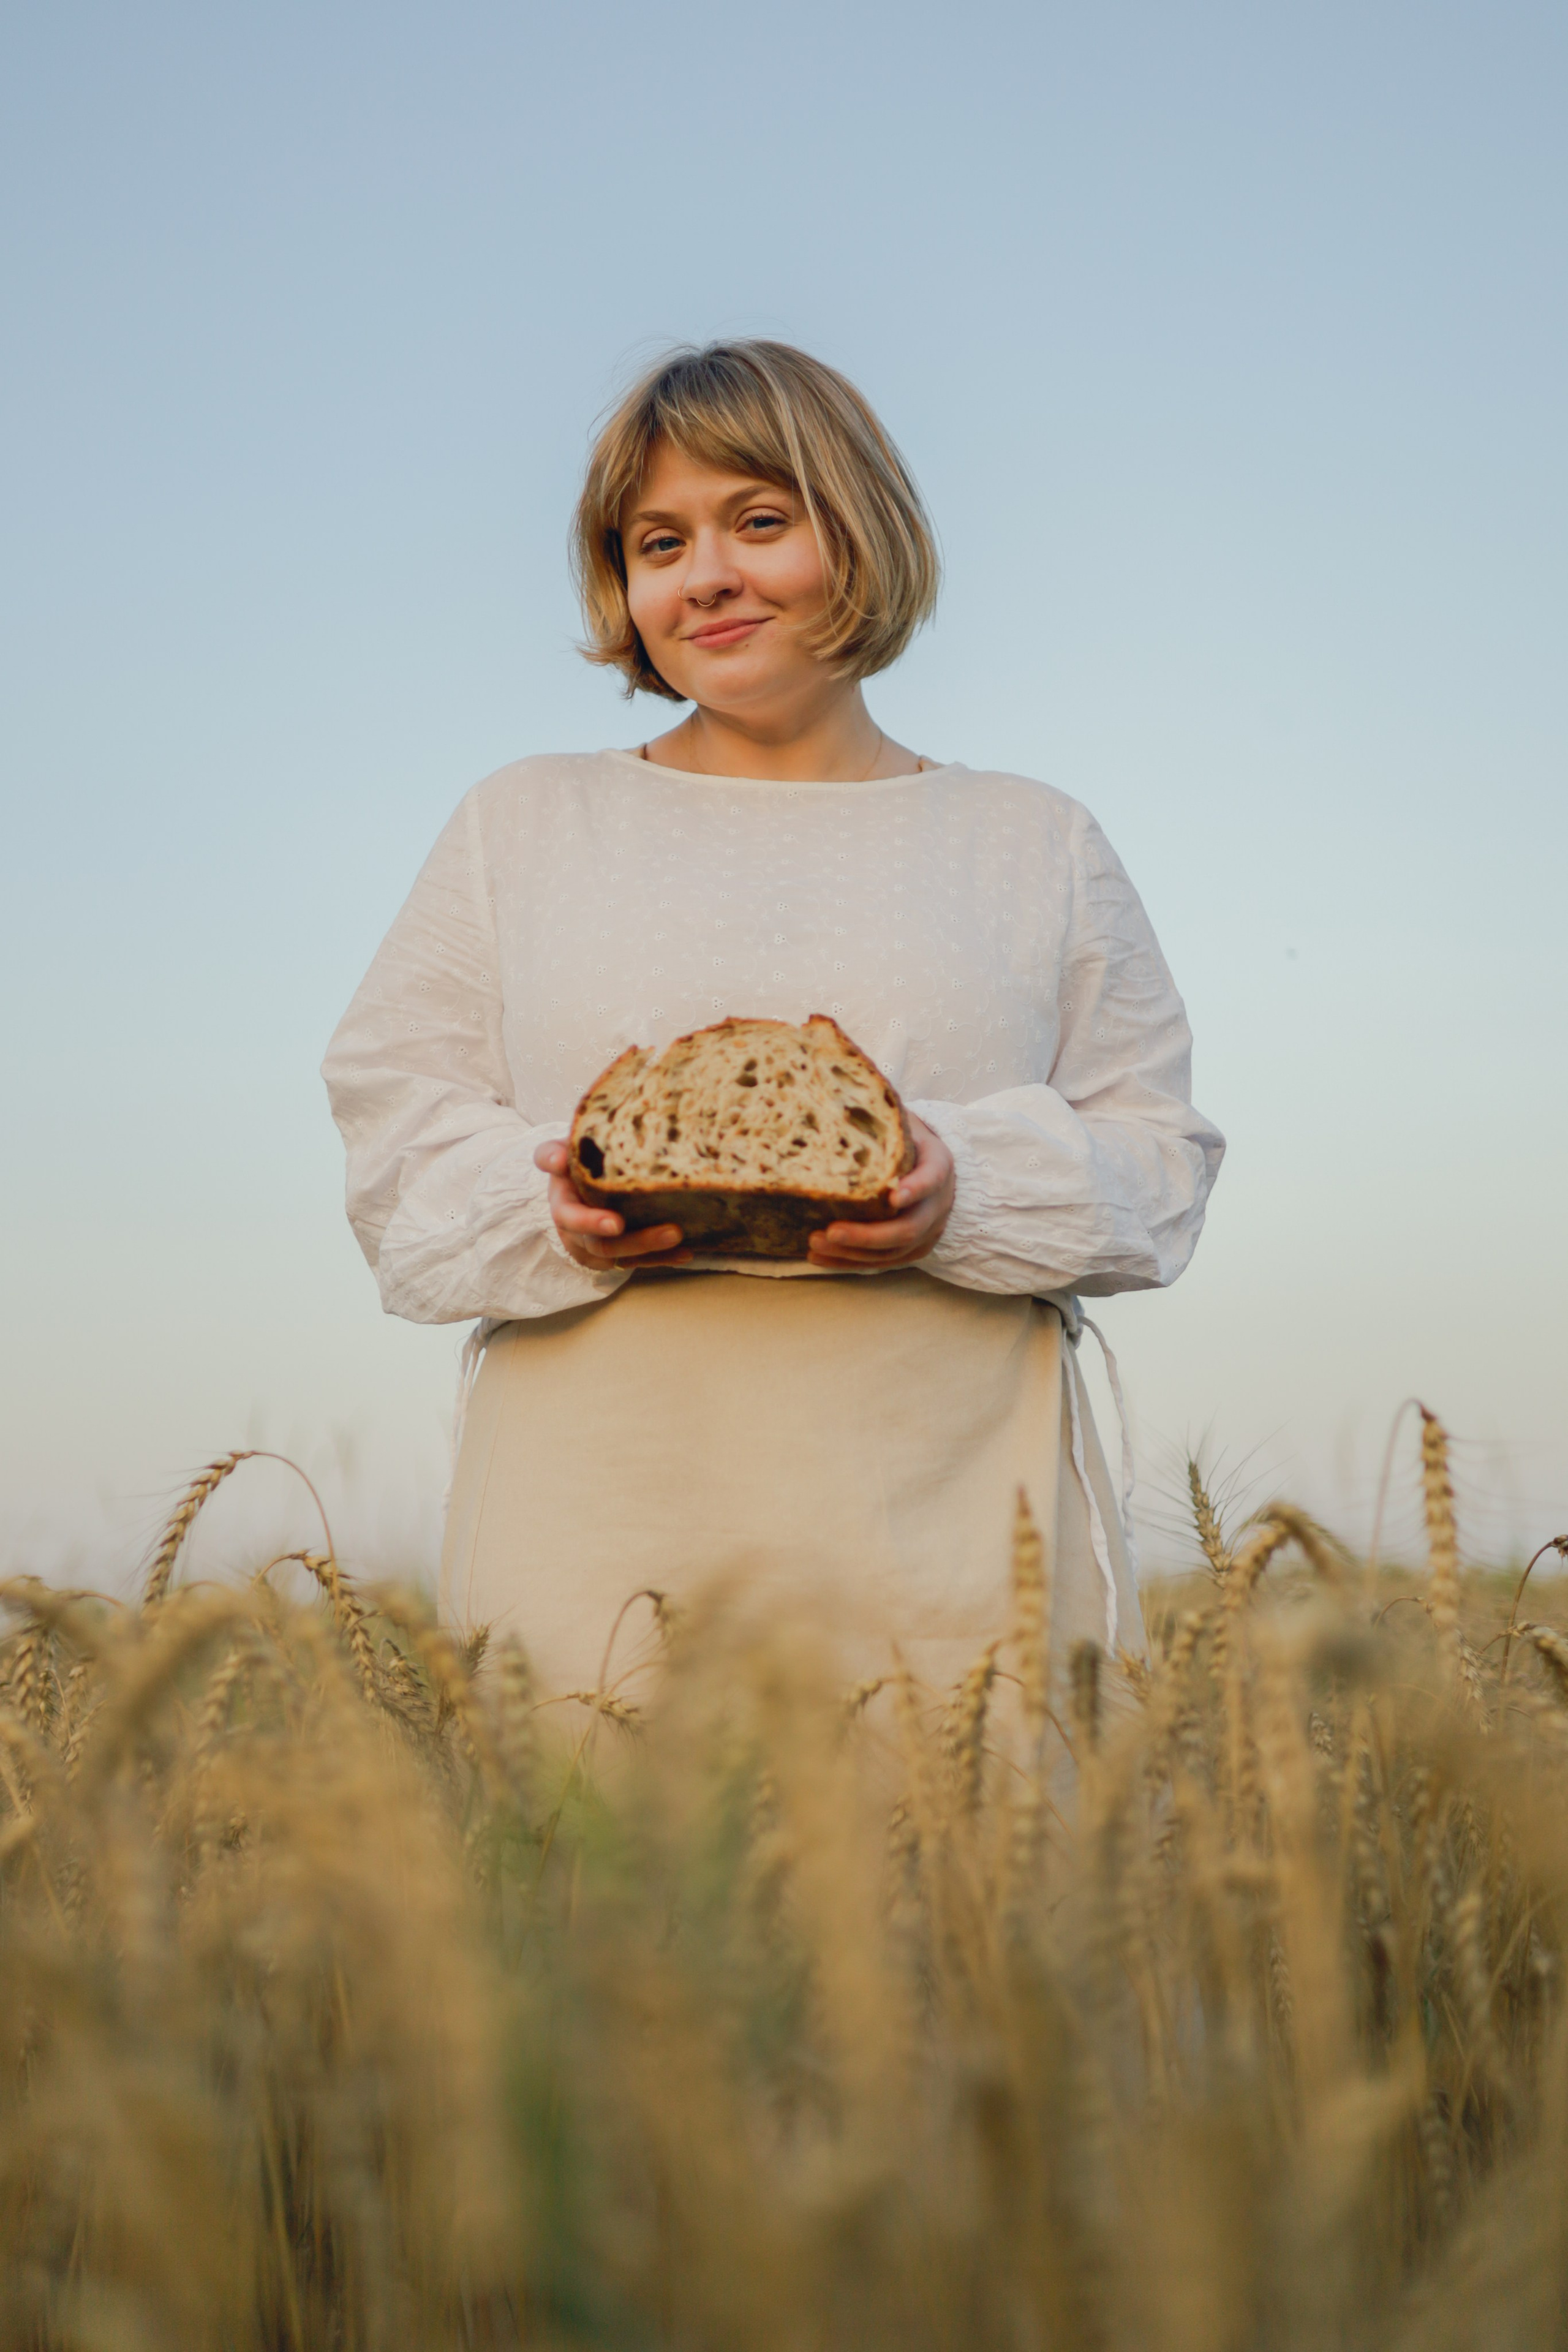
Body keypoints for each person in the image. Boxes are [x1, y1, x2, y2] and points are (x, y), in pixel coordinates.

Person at [323, 339, 1224, 1709]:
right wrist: (554, 1207)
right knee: (611, 1899)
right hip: (599, 1514)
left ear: (858, 529)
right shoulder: (524, 821)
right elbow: (395, 1147)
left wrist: (958, 1188)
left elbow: (1156, 1164)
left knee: (952, 1907)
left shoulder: (1030, 840)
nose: (706, 578)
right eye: (657, 541)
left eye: (760, 520)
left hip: (950, 1513)